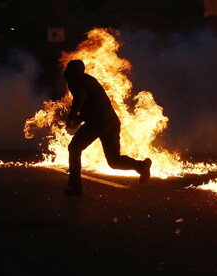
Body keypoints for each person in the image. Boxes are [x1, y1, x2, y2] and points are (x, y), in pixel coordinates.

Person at [63, 59, 152, 196]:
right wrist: (78, 119)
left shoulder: (76, 81)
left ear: (73, 72)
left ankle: (75, 187)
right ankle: (141, 166)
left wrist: (72, 117)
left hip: (98, 121)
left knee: (74, 148)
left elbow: (80, 98)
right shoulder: (89, 80)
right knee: (114, 161)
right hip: (112, 121)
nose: (65, 72)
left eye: (68, 69)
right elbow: (93, 105)